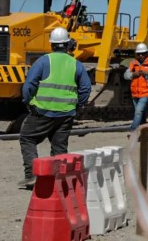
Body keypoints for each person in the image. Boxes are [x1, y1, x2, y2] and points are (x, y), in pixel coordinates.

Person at [18, 27, 92, 190]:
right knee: (59, 147)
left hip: (42, 111)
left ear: (52, 44)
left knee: (28, 138)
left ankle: (31, 175)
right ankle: (59, 179)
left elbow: (29, 85)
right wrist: (78, 105)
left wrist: (29, 102)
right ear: (67, 44)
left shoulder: (44, 61)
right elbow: (86, 88)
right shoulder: (76, 64)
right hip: (66, 113)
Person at [124, 43, 148, 132]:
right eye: (138, 54)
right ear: (136, 54)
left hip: (146, 93)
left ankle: (133, 131)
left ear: (146, 53)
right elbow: (125, 75)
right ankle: (144, 131)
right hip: (135, 94)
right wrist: (133, 74)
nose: (141, 55)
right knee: (140, 115)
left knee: (138, 112)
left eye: (143, 53)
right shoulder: (133, 64)